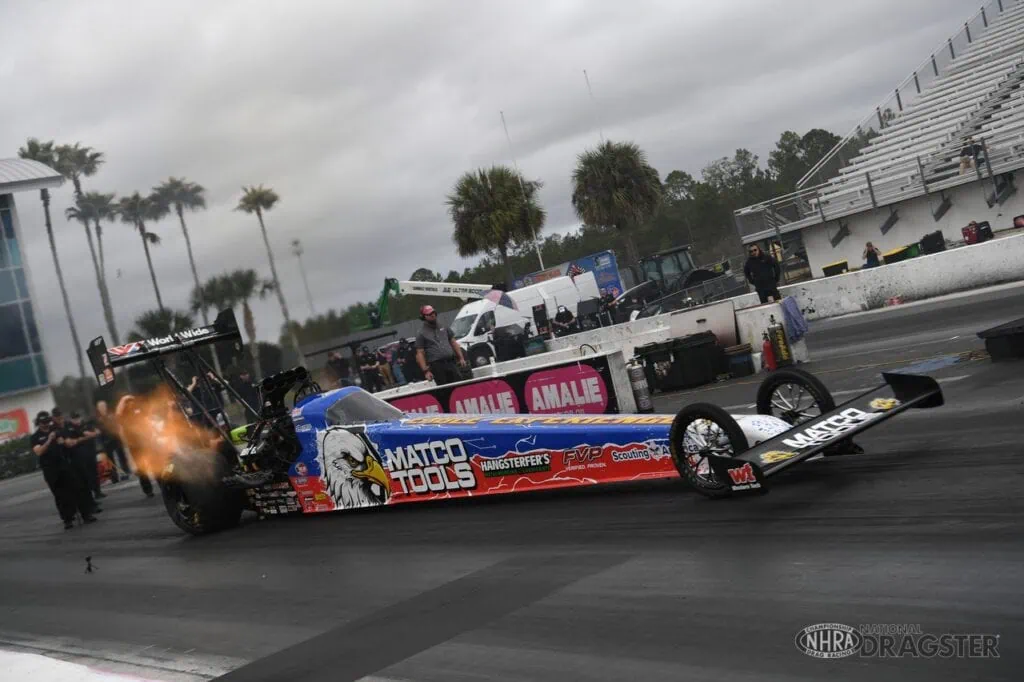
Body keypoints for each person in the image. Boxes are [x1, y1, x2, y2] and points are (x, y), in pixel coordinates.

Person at [31, 411, 97, 529]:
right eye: (43, 423)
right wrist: (49, 440)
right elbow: (39, 451)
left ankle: (86, 514)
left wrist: (67, 441)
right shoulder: (35, 437)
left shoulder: (56, 431)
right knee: (60, 495)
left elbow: (68, 443)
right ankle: (67, 519)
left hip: (64, 464)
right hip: (50, 469)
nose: (46, 425)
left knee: (77, 488)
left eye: (47, 422)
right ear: (39, 423)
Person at [114, 395, 156, 498]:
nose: (130, 403)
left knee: (155, 464)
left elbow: (148, 420)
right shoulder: (123, 416)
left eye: (131, 401)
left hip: (147, 442)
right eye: (127, 402)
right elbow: (117, 415)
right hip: (135, 446)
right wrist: (123, 399)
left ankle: (163, 486)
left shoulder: (139, 411)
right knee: (142, 469)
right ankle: (148, 490)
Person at [415, 304, 466, 385]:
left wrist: (461, 358)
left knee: (459, 384)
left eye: (433, 313)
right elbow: (420, 353)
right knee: (445, 389)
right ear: (424, 317)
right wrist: (426, 371)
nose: (432, 315)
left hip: (451, 362)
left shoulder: (444, 326)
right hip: (437, 366)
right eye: (429, 314)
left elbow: (453, 342)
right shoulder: (421, 333)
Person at [68, 411, 104, 501]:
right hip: (81, 454)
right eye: (74, 419)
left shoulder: (86, 424)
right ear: (71, 420)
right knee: (86, 475)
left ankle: (98, 491)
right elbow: (87, 434)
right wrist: (92, 434)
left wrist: (93, 433)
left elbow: (97, 431)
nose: (77, 420)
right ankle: (91, 495)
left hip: (91, 451)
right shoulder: (71, 428)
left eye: (78, 418)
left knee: (94, 472)